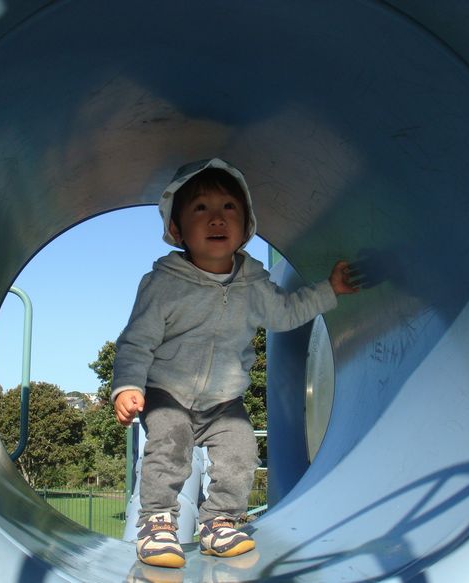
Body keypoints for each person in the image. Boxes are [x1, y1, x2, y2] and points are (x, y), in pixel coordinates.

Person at [112, 158, 359, 569]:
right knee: (170, 445)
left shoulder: (253, 284)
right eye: (200, 209)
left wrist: (329, 291)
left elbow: (287, 312)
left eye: (229, 207)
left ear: (246, 228)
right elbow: (137, 341)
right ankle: (157, 523)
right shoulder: (164, 284)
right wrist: (127, 386)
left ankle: (219, 523)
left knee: (242, 450)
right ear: (177, 230)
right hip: (167, 391)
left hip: (224, 400)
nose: (216, 218)